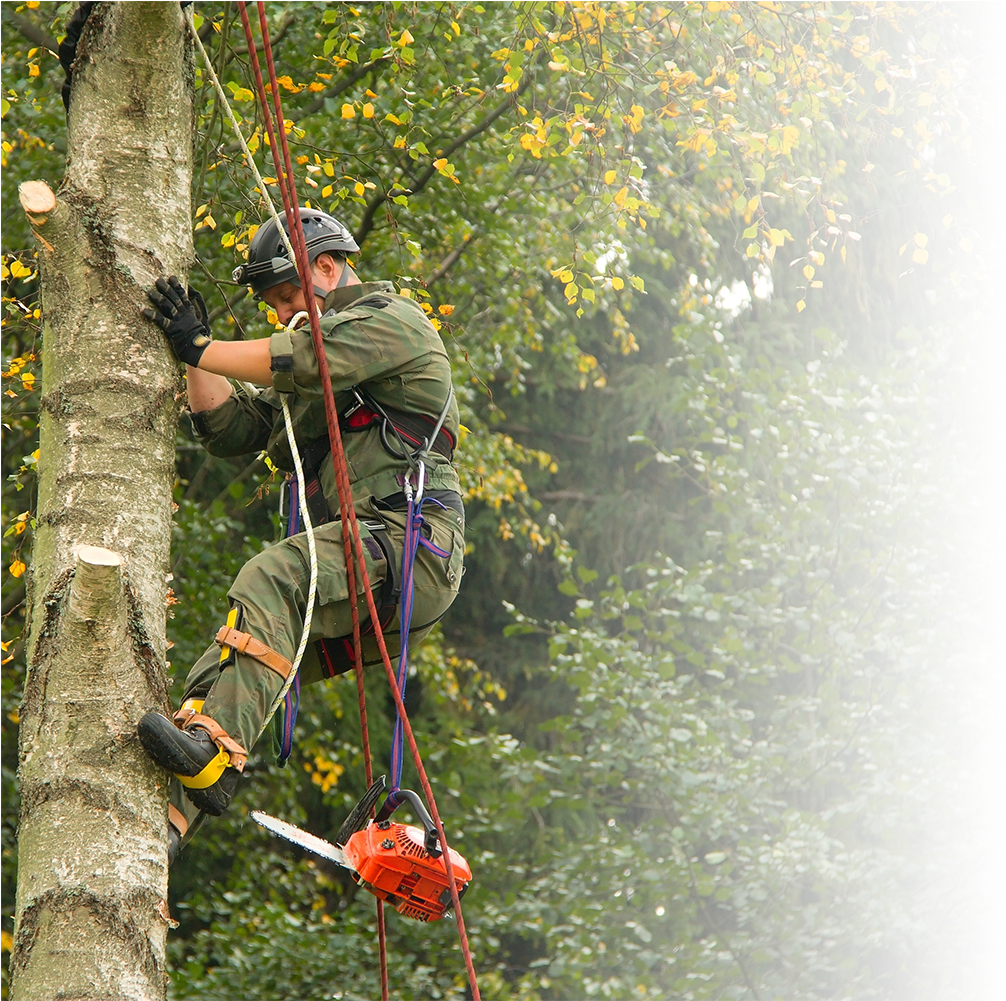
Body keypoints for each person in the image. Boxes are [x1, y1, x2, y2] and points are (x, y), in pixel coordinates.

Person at [137, 208, 464, 859]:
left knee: (273, 578)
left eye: (289, 294)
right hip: (372, 559)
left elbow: (307, 355)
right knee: (231, 657)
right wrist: (189, 347)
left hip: (408, 544)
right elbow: (230, 429)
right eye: (272, 302)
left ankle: (215, 761)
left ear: (326, 267)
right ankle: (164, 827)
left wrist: (203, 349)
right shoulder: (308, 373)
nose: (282, 310)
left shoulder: (392, 324)